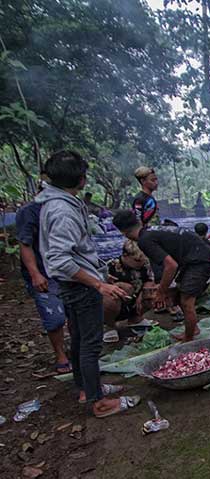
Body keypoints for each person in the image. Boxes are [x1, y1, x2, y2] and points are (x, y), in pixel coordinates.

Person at [38, 150, 137, 418]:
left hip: (74, 284)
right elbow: (60, 260)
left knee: (80, 339)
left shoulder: (57, 203)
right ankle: (98, 403)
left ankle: (86, 388)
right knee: (91, 343)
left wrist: (100, 274)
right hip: (79, 286)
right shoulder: (62, 212)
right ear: (81, 179)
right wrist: (97, 284)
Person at [113, 209, 210, 342]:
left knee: (186, 301)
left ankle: (189, 338)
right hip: (194, 256)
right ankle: (192, 329)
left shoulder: (144, 240)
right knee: (179, 295)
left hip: (199, 260)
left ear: (123, 232)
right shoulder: (150, 231)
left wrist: (161, 292)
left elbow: (171, 265)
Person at [16, 196, 71, 374]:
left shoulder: (66, 205)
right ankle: (60, 354)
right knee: (54, 317)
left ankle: (76, 349)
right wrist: (35, 274)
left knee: (74, 311)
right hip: (43, 272)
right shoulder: (29, 212)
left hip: (67, 269)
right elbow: (25, 243)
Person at [103, 240, 156, 330]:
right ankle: (109, 326)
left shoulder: (145, 264)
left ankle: (135, 319)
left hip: (136, 296)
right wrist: (118, 285)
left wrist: (143, 293)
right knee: (111, 298)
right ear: (125, 255)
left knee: (153, 292)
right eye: (137, 260)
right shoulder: (111, 266)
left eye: (143, 260)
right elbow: (101, 287)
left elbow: (150, 279)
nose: (141, 263)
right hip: (118, 299)